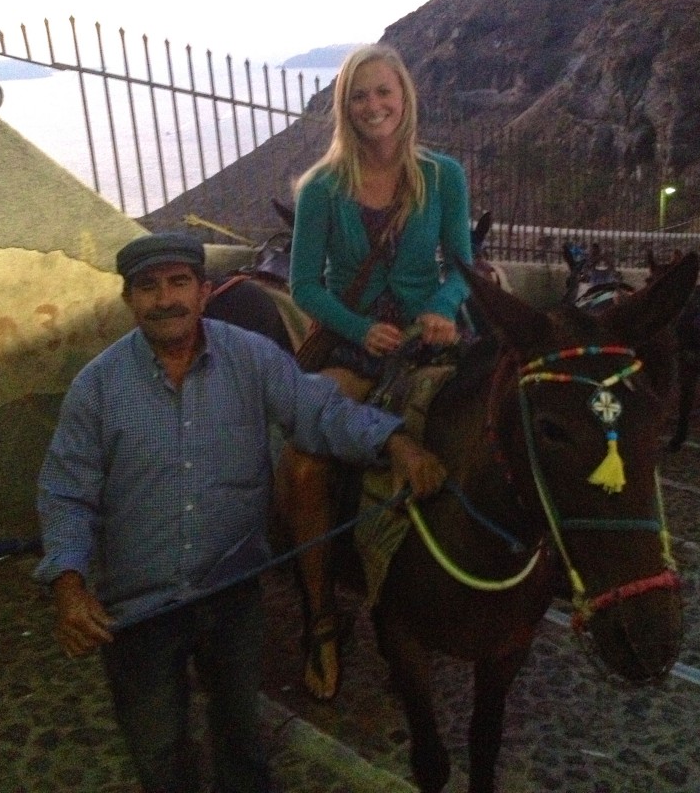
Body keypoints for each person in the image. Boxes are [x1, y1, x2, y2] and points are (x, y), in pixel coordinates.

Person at [34, 231, 446, 793]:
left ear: (205, 292)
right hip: (139, 607)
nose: (166, 298)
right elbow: (66, 490)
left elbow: (317, 410)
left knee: (240, 742)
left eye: (179, 282)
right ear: (129, 300)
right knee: (159, 752)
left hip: (232, 593)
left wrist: (396, 442)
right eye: (148, 287)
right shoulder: (97, 388)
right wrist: (68, 580)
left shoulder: (250, 358)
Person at [280, 43, 473, 701]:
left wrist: (444, 309)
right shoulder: (320, 190)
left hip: (429, 345)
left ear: (404, 97)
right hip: (355, 350)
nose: (373, 107)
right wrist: (360, 327)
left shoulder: (444, 177)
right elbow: (304, 285)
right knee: (305, 464)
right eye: (359, 96)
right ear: (344, 107)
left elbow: (462, 271)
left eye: (383, 93)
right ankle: (322, 617)